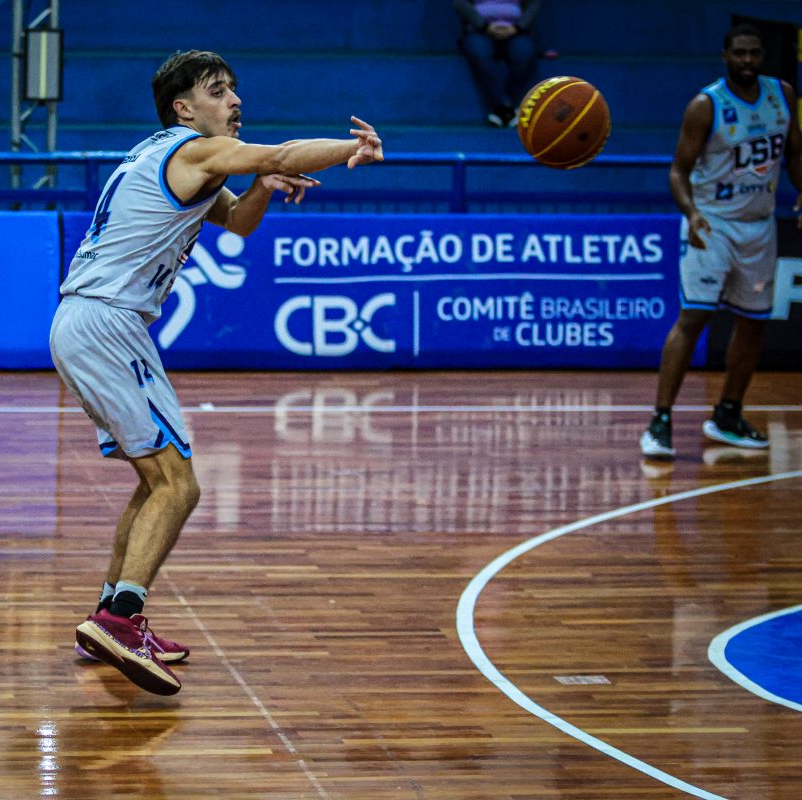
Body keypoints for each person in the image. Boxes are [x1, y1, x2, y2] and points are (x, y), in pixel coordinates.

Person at [52, 50, 383, 695]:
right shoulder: (193, 150)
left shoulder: (167, 157)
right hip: (106, 323)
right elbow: (281, 153)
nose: (235, 101)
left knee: (156, 481)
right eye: (218, 91)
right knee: (180, 486)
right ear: (184, 109)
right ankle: (121, 619)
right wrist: (352, 148)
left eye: (234, 89)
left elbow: (236, 223)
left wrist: (261, 187)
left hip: (93, 322)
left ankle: (109, 612)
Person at [640, 23, 801, 460]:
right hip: (712, 224)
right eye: (739, 53)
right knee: (694, 317)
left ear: (762, 56)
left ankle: (728, 413)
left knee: (753, 323)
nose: (747, 60)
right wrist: (691, 213)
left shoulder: (782, 95)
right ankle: (660, 421)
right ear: (725, 55)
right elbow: (678, 171)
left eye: (754, 53)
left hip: (760, 225)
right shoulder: (705, 104)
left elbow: (794, 153)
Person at [454, 0, 542, 127]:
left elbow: (534, 3)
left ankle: (509, 105)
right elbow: (460, 2)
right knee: (480, 54)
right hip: (479, 30)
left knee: (524, 52)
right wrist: (484, 26)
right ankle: (502, 107)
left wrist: (518, 27)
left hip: (516, 30)